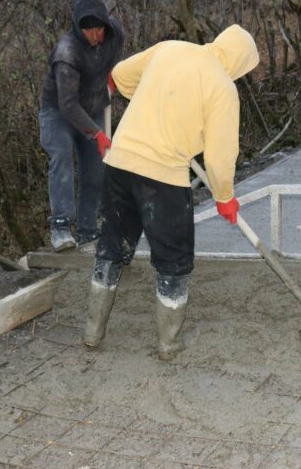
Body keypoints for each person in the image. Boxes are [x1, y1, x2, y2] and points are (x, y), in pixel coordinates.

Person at [84, 24, 260, 361]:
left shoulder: (170, 49)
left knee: (111, 247)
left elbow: (119, 77)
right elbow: (220, 156)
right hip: (162, 177)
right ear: (240, 63)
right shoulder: (222, 88)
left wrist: (160, 96)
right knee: (173, 261)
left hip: (119, 163)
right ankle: (169, 344)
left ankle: (92, 331)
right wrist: (225, 197)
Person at [39, 0, 123, 252]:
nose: (96, 36)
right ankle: (61, 227)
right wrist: (96, 134)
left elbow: (114, 59)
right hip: (59, 113)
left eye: (99, 29)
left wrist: (112, 77)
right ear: (79, 29)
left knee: (95, 170)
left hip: (94, 104)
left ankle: (88, 230)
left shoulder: (114, 33)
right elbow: (67, 104)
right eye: (89, 32)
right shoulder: (67, 52)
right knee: (61, 157)